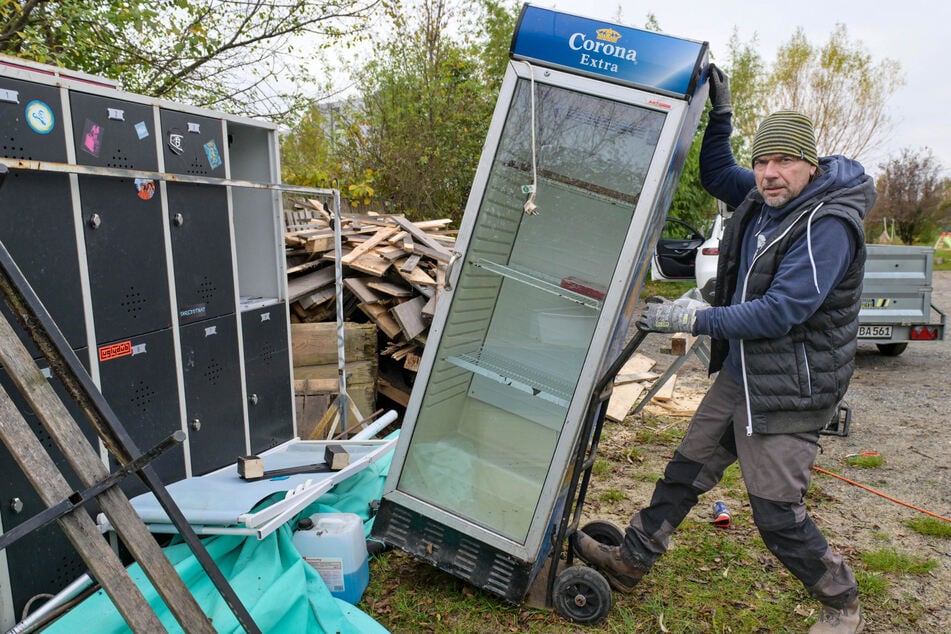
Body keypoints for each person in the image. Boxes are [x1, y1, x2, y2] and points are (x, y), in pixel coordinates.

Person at [573, 63, 876, 634]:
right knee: (687, 468)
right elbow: (716, 171)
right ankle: (631, 560)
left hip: (790, 388)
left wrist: (697, 315)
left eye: (783, 160)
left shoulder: (827, 224)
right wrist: (723, 114)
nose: (769, 173)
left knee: (776, 512)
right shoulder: (764, 202)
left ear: (810, 164)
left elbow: (783, 310)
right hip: (745, 374)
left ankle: (841, 602)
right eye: (762, 161)